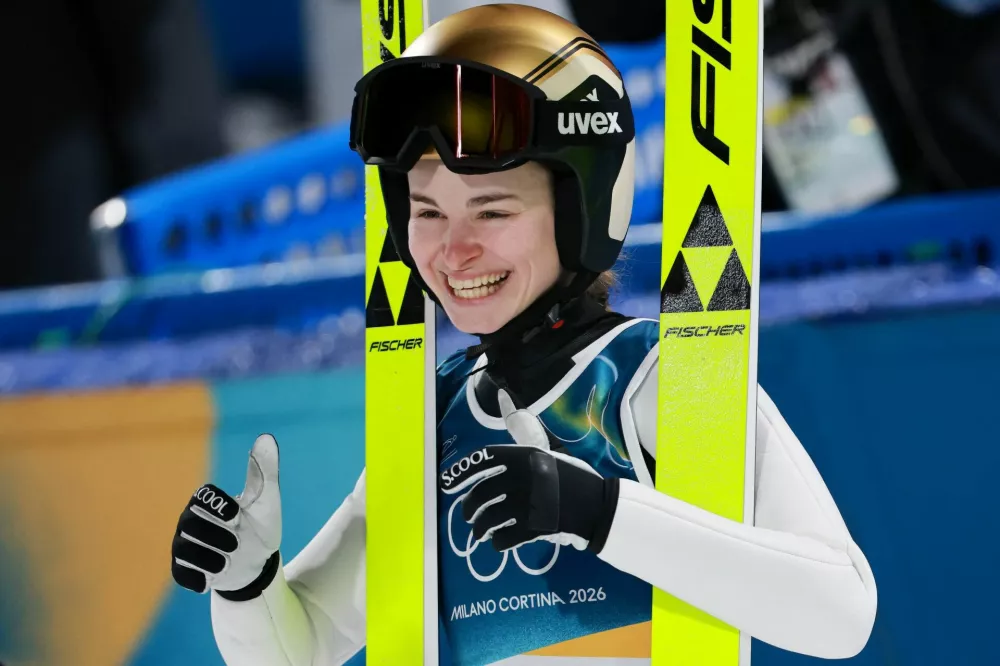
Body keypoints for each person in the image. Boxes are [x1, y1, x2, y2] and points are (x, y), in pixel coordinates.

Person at [169, 5, 878, 665]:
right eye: (426, 213)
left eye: (492, 211)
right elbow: (304, 645)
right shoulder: (434, 416)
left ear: (582, 210)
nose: (453, 252)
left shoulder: (655, 376)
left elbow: (841, 612)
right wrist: (247, 583)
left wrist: (596, 511)